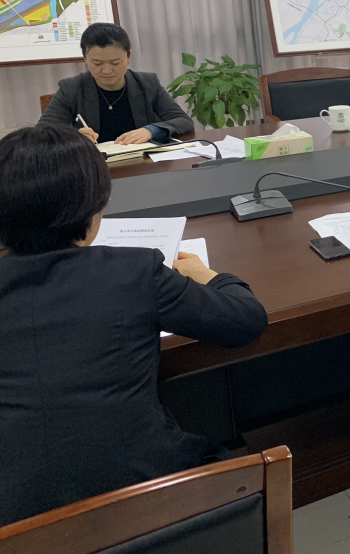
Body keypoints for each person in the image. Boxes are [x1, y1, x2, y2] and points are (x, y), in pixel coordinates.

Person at [0, 124, 268, 526]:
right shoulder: (132, 271)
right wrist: (212, 277)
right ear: (93, 210)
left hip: (17, 521)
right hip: (148, 504)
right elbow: (245, 320)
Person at [39, 22, 194, 144]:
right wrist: (74, 135)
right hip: (92, 166)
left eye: (115, 63)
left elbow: (184, 121)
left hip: (143, 163)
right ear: (85, 59)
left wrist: (150, 131)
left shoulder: (147, 84)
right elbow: (41, 133)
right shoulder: (71, 89)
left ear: (128, 57)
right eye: (97, 63)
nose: (106, 70)